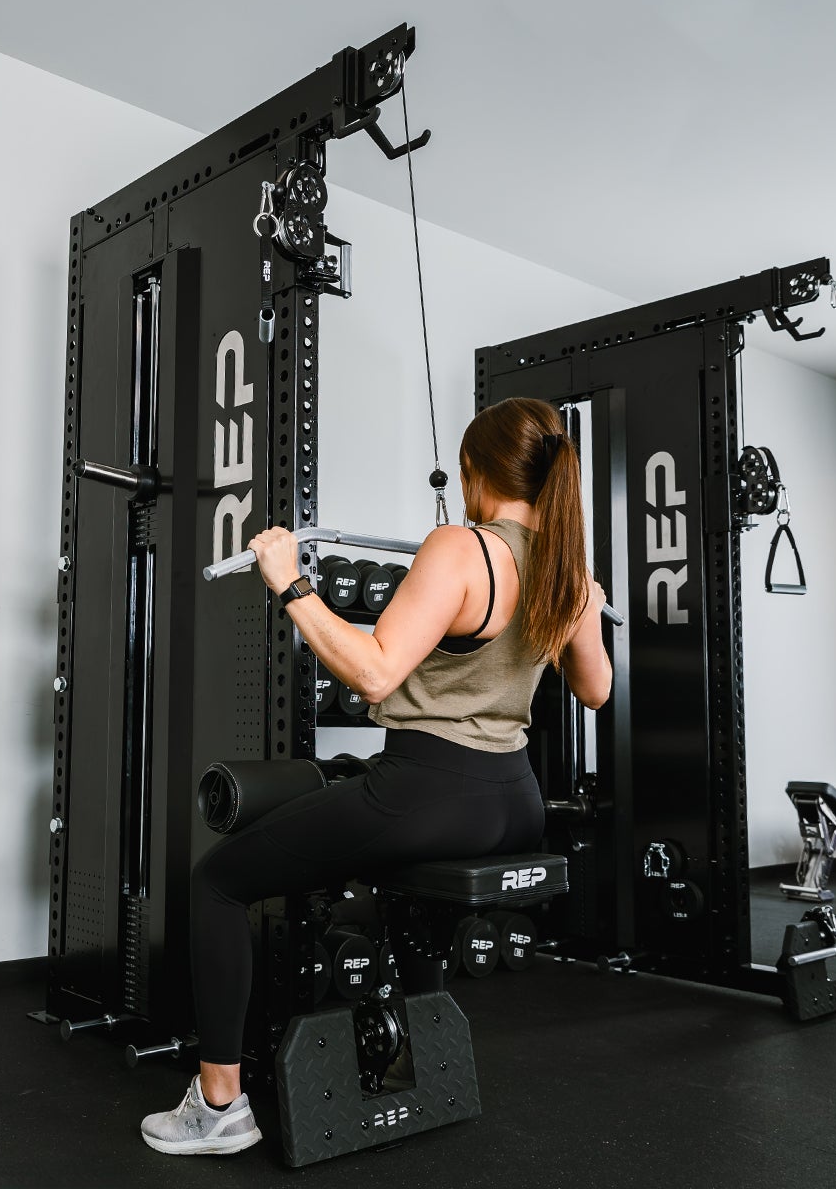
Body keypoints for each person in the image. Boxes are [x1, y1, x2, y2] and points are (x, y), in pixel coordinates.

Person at [139, 397, 613, 1156]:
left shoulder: (461, 548)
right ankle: (412, 1060)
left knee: (217, 881)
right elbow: (595, 690)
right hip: (514, 799)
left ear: (476, 471)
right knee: (393, 872)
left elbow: (374, 674)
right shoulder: (569, 571)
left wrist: (291, 583)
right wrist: (584, 607)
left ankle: (220, 1105)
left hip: (431, 792)